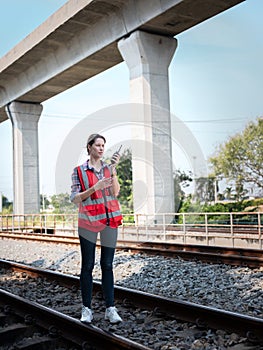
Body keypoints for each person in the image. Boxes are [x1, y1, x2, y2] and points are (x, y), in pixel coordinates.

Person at [70, 133, 123, 324]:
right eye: (98, 145)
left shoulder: (109, 169)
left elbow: (115, 192)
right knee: (88, 266)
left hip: (109, 222)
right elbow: (75, 198)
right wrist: (95, 187)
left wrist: (114, 170)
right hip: (87, 224)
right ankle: (87, 310)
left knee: (107, 266)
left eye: (103, 145)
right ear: (89, 147)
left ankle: (110, 309)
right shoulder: (79, 171)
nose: (101, 148)